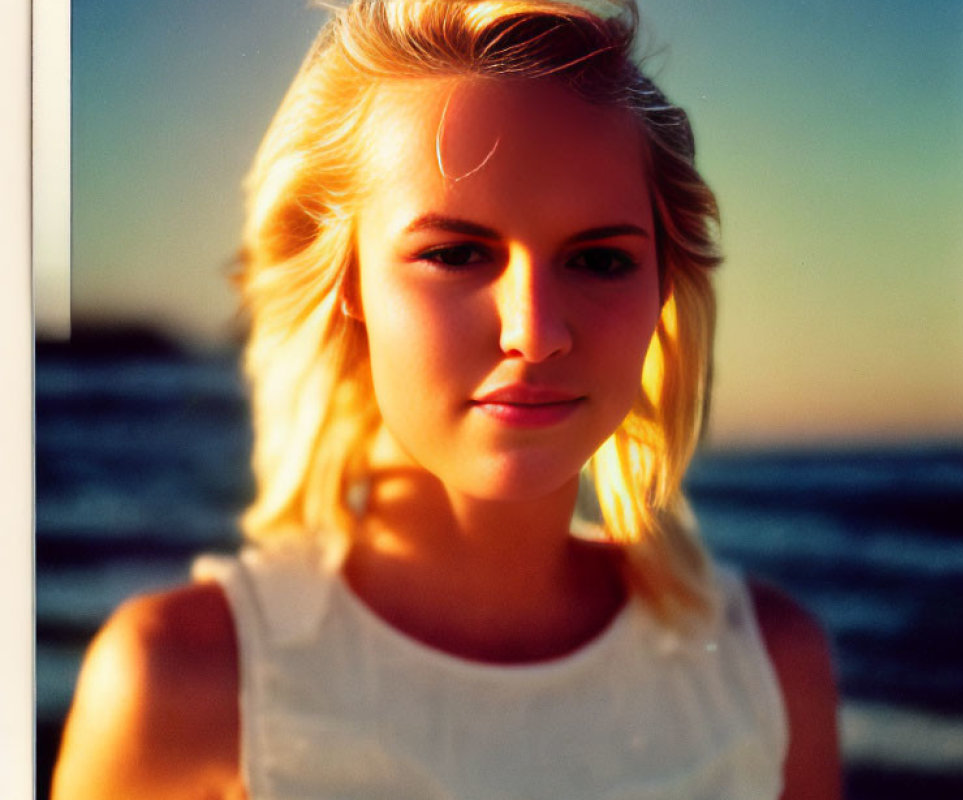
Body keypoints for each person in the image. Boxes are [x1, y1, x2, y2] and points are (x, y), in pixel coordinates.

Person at [52, 1, 840, 798]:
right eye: (457, 253)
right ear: (346, 278)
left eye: (600, 260)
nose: (535, 334)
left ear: (664, 286)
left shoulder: (767, 671)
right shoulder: (185, 681)